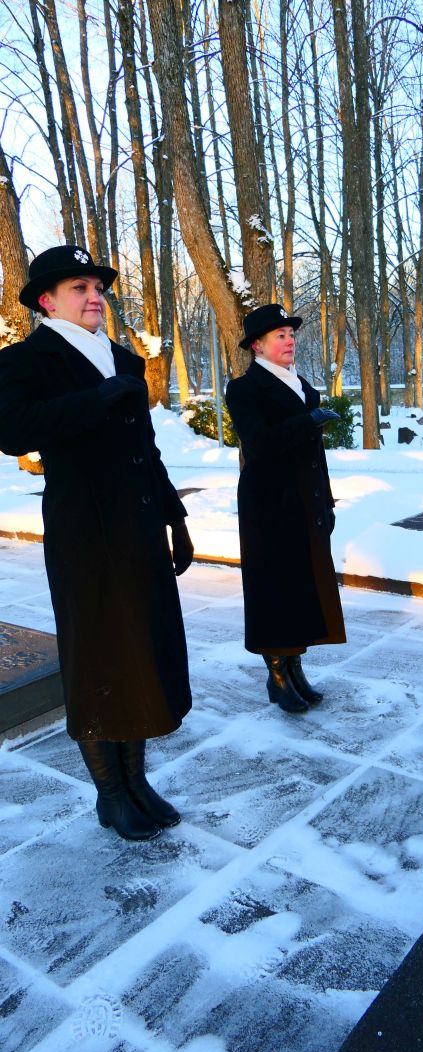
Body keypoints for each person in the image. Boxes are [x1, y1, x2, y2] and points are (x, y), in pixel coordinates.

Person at [0, 245, 193, 841]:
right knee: (98, 659)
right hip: (84, 534)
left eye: (98, 287)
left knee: (139, 655)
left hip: (138, 530)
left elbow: (145, 449)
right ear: (46, 301)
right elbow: (12, 432)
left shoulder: (123, 359)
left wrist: (174, 514)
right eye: (79, 288)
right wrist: (96, 399)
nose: (94, 297)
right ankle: (110, 794)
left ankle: (136, 781)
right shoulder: (24, 360)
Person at [225, 303, 346, 713]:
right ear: (257, 346)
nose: (290, 340)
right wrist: (307, 422)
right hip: (268, 507)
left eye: (291, 334)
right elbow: (258, 444)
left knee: (300, 589)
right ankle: (277, 675)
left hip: (304, 504)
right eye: (280, 335)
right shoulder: (244, 389)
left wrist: (326, 501)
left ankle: (294, 668)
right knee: (274, 591)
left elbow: (316, 457)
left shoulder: (303, 386)